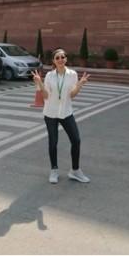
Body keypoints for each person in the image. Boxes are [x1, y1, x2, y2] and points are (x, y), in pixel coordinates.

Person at [31, 49, 90, 184]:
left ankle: (75, 171)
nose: (60, 59)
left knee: (76, 140)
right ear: (53, 61)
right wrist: (39, 82)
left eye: (63, 57)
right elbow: (45, 96)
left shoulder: (72, 74)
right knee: (53, 142)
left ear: (66, 59)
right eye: (57, 57)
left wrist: (80, 84)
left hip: (66, 112)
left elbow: (72, 95)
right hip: (50, 113)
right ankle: (54, 170)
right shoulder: (50, 76)